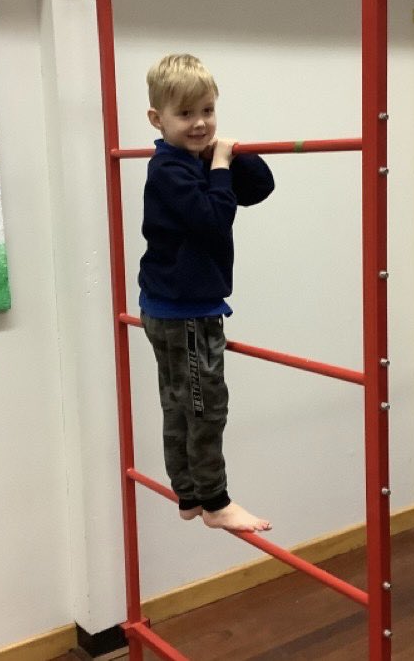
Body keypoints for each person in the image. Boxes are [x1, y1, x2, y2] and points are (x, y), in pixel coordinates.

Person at [139, 53, 275, 532]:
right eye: (186, 114)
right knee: (203, 404)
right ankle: (216, 501)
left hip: (174, 306)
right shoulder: (170, 171)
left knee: (180, 401)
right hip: (186, 312)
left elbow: (260, 188)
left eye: (207, 111)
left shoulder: (195, 159)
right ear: (158, 119)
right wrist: (217, 165)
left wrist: (232, 153)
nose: (199, 123)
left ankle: (189, 494)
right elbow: (215, 220)